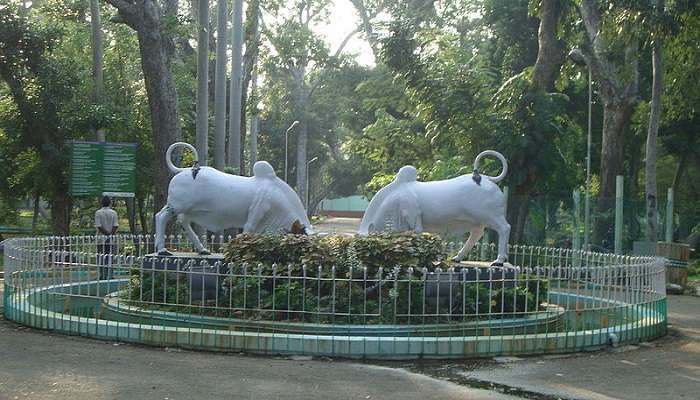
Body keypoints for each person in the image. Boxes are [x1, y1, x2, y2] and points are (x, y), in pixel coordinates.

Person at [95, 195, 119, 280]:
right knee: (110, 256)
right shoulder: (114, 213)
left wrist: (106, 234)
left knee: (101, 256)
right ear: (110, 203)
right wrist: (110, 235)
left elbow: (99, 226)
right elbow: (115, 226)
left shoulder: (98, 213)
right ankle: (110, 275)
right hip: (111, 239)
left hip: (100, 238)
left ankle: (102, 275)